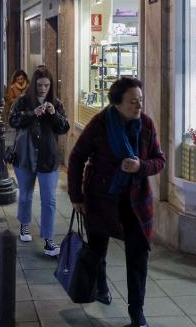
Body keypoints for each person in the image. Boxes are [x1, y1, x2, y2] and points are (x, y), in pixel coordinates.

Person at [68, 77, 165, 327]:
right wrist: (76, 196)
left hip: (136, 204)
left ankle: (137, 313)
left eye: (140, 100)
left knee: (138, 257)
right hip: (101, 200)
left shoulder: (146, 125)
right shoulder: (100, 124)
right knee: (98, 249)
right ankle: (101, 286)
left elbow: (159, 160)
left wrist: (140, 166)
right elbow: (77, 157)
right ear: (117, 103)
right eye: (133, 101)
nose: (138, 106)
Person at [9, 66, 69, 256]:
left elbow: (64, 128)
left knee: (49, 200)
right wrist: (32, 113)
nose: (43, 89)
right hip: (25, 157)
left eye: (47, 85)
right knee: (26, 194)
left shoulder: (56, 103)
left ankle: (49, 240)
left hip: (47, 158)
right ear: (33, 85)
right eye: (40, 85)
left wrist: (54, 115)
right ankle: (25, 225)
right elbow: (12, 120)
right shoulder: (23, 101)